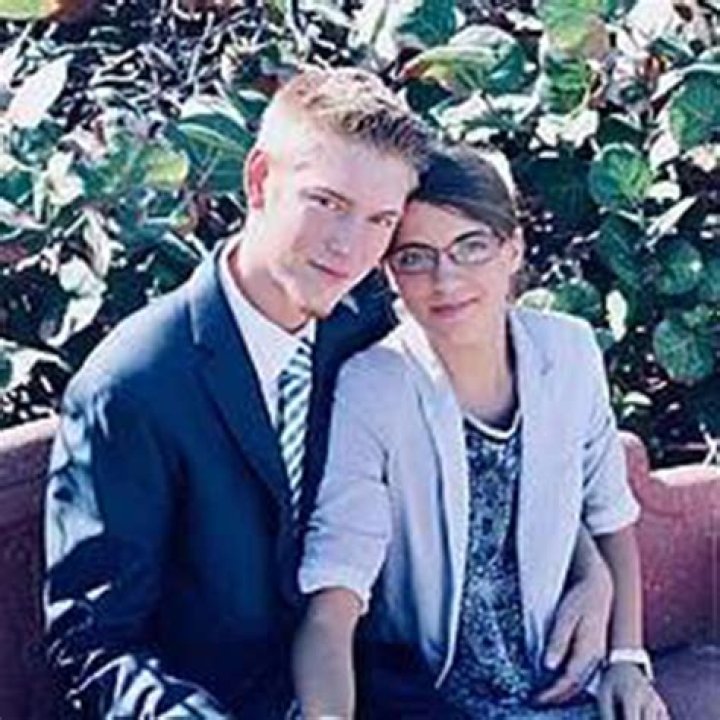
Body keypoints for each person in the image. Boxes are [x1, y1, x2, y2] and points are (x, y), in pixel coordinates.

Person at [43, 67, 427, 718]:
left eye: (379, 220)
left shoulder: (364, 330)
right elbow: (96, 645)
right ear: (258, 180)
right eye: (326, 202)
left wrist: (592, 574)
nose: (349, 246)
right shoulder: (131, 387)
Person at [293, 144, 669, 720]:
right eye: (415, 257)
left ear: (513, 248)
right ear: (389, 273)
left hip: (566, 683)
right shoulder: (374, 384)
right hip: (436, 699)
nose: (446, 279)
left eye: (471, 246)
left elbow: (610, 518)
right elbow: (335, 592)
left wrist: (626, 660)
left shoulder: (569, 351)